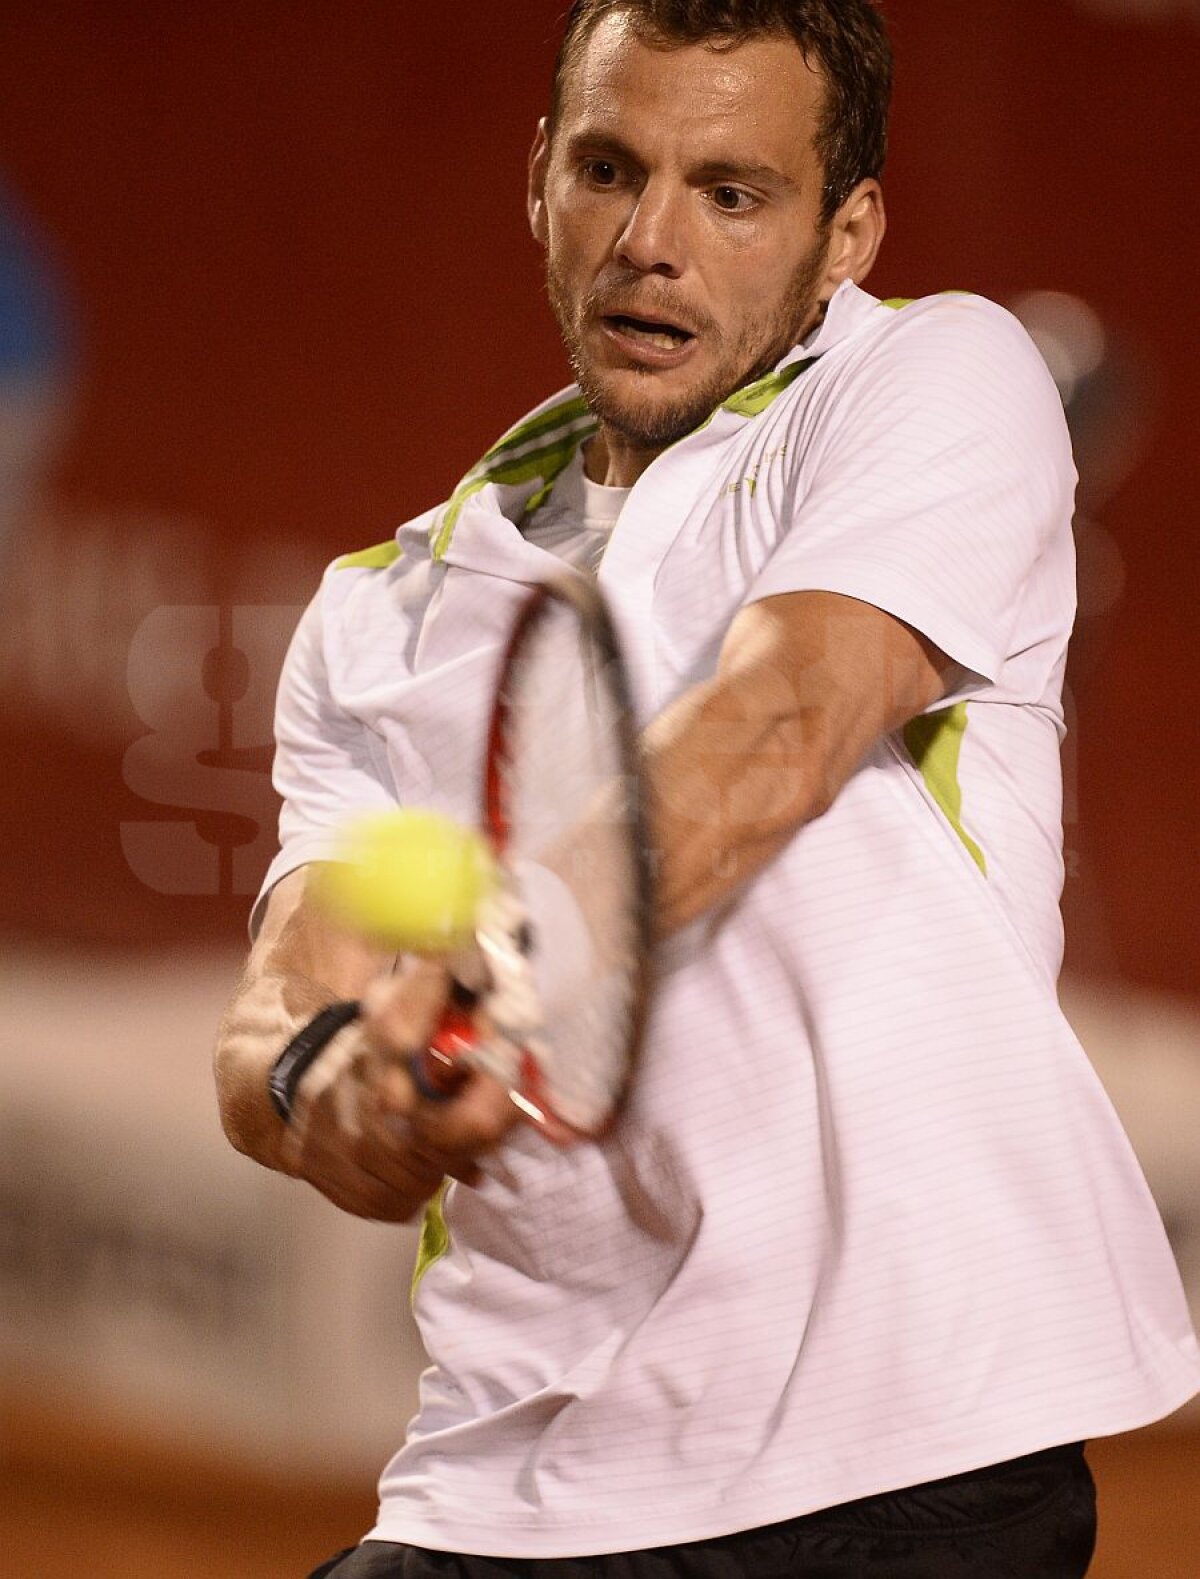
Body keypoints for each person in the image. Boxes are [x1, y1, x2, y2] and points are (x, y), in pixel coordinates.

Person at [214, 3, 1200, 1575]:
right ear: (539, 180)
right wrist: (326, 1085)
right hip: (501, 1480)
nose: (651, 243)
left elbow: (783, 721)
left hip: (896, 1458)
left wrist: (502, 970)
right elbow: (284, 1000)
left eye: (732, 193)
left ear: (845, 233)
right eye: (611, 169)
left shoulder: (932, 379)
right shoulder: (376, 616)